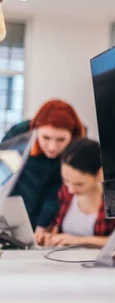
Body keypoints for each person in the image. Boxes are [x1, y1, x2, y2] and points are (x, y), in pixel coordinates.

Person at [0, 99, 86, 245]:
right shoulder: (19, 134)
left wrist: (42, 226)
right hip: (10, 204)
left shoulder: (78, 147)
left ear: (72, 137)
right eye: (45, 138)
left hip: (45, 212)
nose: (52, 147)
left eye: (61, 140)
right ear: (35, 131)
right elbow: (3, 173)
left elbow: (57, 191)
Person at [40, 138, 115, 248]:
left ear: (100, 173)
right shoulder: (65, 192)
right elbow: (55, 225)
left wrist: (78, 241)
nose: (71, 190)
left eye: (79, 184)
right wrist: (47, 236)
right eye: (66, 180)